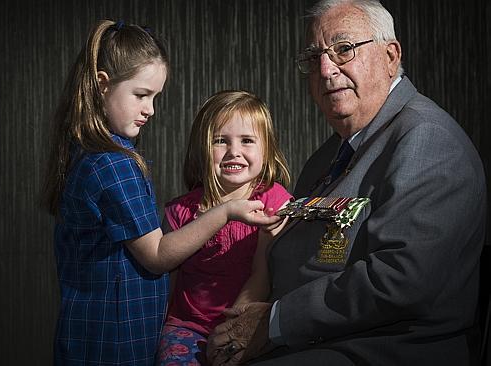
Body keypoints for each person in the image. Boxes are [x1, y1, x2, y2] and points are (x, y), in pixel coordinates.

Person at [206, 0, 487, 365]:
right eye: (314, 56)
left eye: (343, 50)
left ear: (390, 56)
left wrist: (274, 322)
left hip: (381, 347)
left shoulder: (427, 138)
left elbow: (400, 280)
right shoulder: (331, 153)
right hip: (310, 337)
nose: (325, 69)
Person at [41, 20, 284, 365]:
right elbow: (158, 256)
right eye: (141, 95)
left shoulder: (99, 156)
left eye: (155, 97)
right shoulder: (112, 165)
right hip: (111, 340)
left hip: (108, 333)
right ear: (101, 85)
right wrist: (226, 212)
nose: (150, 109)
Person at [156, 90, 293, 365]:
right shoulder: (181, 211)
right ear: (201, 148)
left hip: (246, 322)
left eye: (247, 141)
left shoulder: (274, 202)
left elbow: (262, 273)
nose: (234, 152)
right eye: (220, 141)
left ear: (266, 149)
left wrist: (233, 331)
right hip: (186, 327)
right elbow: (164, 280)